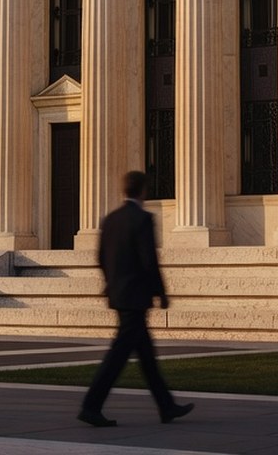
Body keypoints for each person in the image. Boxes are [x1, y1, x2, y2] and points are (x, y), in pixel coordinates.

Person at [77, 170, 193, 428]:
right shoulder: (142, 219)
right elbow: (148, 260)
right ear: (143, 190)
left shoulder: (111, 219)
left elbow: (100, 257)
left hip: (119, 293)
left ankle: (166, 406)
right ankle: (91, 405)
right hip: (136, 295)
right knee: (118, 355)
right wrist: (160, 292)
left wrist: (111, 282)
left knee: (146, 355)